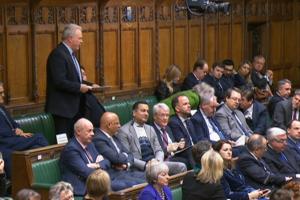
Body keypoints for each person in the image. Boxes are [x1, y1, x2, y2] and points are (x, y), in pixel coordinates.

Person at [60, 118, 139, 196]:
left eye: (93, 130)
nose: (93, 134)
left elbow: (106, 161)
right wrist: (100, 164)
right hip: (86, 185)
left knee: (136, 183)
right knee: (127, 186)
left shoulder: (89, 143)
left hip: (100, 180)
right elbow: (87, 173)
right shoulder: (70, 149)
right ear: (78, 131)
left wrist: (96, 165)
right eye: (89, 131)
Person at [45, 23, 93, 137]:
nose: (82, 41)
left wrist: (91, 85)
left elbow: (74, 78)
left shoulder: (70, 54)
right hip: (63, 110)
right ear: (70, 39)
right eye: (80, 38)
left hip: (74, 108)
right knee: (64, 144)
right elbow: (59, 81)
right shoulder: (58, 54)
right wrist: (80, 87)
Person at [117, 101, 186, 175]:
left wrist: (157, 162)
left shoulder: (150, 128)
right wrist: (145, 165)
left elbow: (158, 149)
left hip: (156, 163)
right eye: (143, 111)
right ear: (134, 113)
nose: (146, 114)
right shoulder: (124, 131)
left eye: (147, 111)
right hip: (141, 167)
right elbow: (127, 156)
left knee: (181, 167)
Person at [0, 82, 48, 178]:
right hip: (5, 143)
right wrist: (15, 132)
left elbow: (13, 123)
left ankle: (38, 175)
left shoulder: (1, 107)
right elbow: (2, 132)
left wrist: (18, 128)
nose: (3, 95)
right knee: (39, 138)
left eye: (3, 92)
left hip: (13, 139)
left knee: (36, 146)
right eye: (0, 93)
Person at [92, 112, 145, 182]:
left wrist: (126, 165)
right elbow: (116, 159)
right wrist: (125, 155)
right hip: (116, 175)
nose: (120, 126)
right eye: (117, 123)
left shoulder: (113, 136)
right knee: (142, 182)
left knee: (152, 176)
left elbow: (130, 154)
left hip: (126, 170)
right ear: (109, 125)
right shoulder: (98, 139)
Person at [152, 103, 194, 169]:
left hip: (174, 156)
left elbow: (174, 146)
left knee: (190, 149)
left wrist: (179, 145)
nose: (165, 118)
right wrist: (167, 150)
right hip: (163, 159)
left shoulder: (168, 128)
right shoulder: (151, 130)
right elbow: (153, 152)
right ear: (155, 116)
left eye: (167, 115)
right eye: (162, 115)